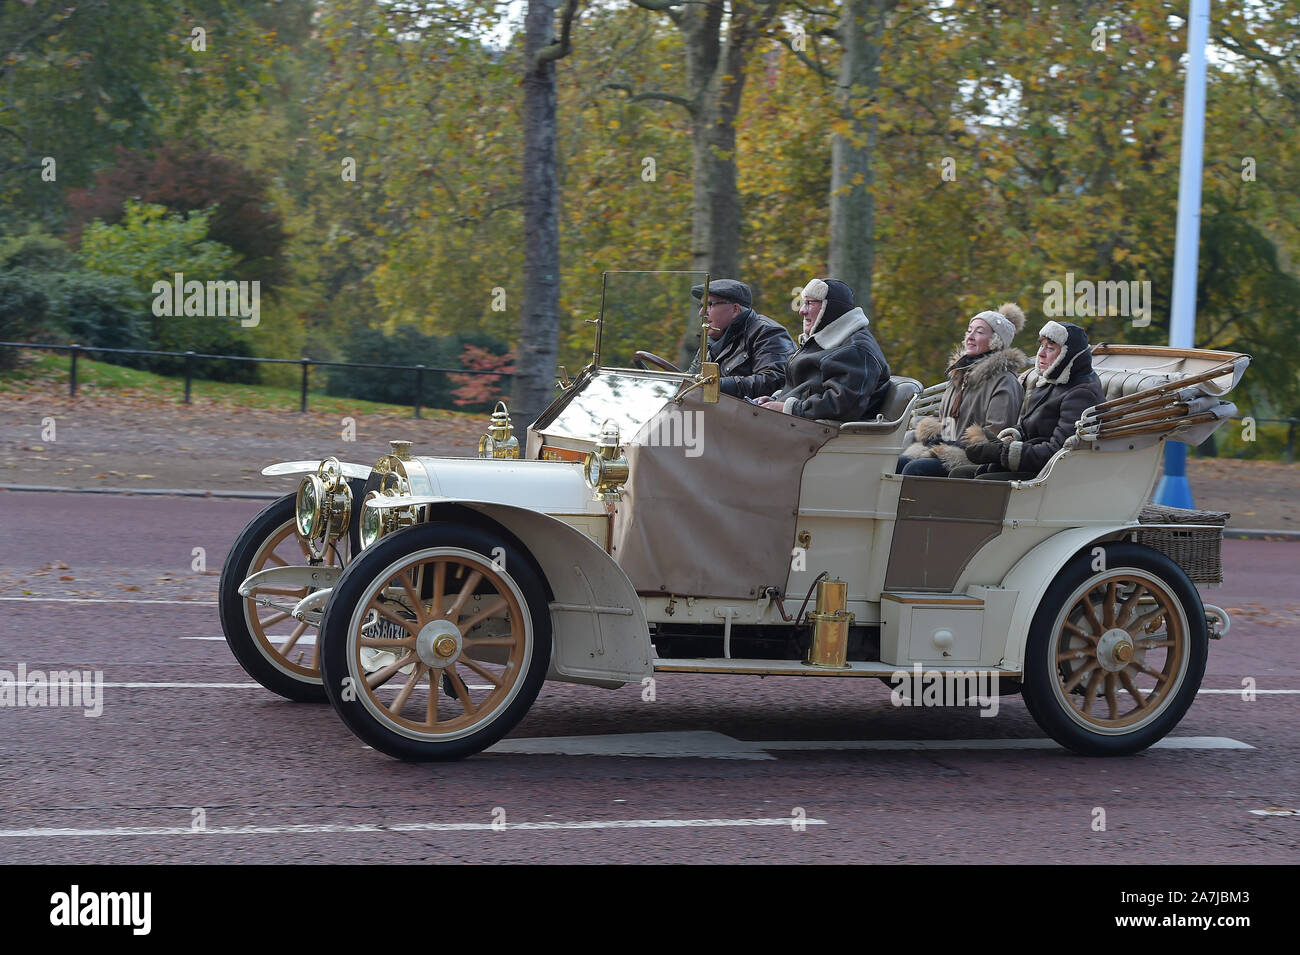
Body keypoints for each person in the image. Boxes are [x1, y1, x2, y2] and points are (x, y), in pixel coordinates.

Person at [952, 320, 1104, 481]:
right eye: (1042, 346)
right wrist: (1008, 439)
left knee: (981, 483)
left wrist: (1003, 452)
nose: (1041, 354)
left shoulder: (1081, 394)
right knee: (959, 474)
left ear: (1068, 355)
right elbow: (1030, 428)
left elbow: (1059, 452)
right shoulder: (1054, 381)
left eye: (1050, 348)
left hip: (1054, 474)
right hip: (1034, 462)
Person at [896, 303, 1028, 477]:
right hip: (949, 446)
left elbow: (995, 434)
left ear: (996, 340)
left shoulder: (1005, 381)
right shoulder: (960, 375)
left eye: (979, 332)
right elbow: (948, 421)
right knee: (897, 462)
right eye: (969, 330)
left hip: (977, 456)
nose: (970, 337)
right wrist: (940, 435)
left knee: (916, 469)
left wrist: (955, 443)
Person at [753, 278, 891, 422]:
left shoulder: (857, 350)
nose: (802, 311)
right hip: (801, 427)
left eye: (809, 303)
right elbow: (807, 388)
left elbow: (843, 406)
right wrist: (775, 399)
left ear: (831, 308)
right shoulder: (823, 341)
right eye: (803, 303)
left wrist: (787, 409)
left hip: (823, 436)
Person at [686, 279, 795, 400]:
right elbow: (691, 378)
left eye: (710, 304)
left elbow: (774, 380)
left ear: (735, 310)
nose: (702, 313)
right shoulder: (711, 340)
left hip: (753, 415)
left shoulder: (767, 332)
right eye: (701, 306)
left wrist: (715, 384)